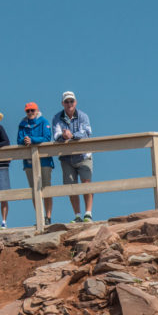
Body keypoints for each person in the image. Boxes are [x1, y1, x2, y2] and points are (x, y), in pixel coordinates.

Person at [52, 91, 94, 222]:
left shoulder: (83, 116)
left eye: (71, 101)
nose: (69, 104)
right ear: (62, 103)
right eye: (66, 101)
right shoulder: (57, 118)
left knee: (86, 183)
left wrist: (72, 135)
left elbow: (87, 132)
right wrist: (63, 136)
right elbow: (56, 135)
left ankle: (88, 213)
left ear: (75, 102)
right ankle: (77, 215)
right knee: (71, 187)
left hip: (83, 155)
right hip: (66, 157)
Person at [17, 102, 54, 225]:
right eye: (28, 111)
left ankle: (48, 217)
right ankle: (40, 217)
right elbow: (19, 139)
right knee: (34, 190)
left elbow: (47, 138)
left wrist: (32, 140)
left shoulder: (44, 122)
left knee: (46, 188)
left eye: (32, 110)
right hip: (29, 162)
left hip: (44, 161)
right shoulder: (22, 124)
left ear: (37, 110)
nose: (30, 113)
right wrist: (25, 140)